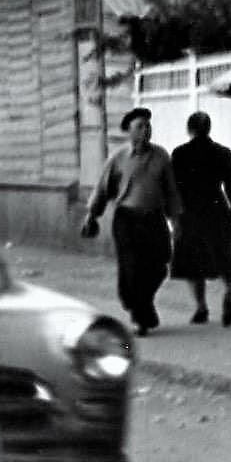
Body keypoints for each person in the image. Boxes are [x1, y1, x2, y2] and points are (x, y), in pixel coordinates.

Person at [82, 106, 182, 336]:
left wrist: (176, 221)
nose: (146, 130)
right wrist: (91, 216)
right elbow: (102, 189)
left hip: (154, 218)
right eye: (140, 126)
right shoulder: (118, 158)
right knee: (132, 267)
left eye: (148, 125)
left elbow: (171, 191)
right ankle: (140, 315)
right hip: (127, 219)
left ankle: (140, 303)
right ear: (129, 131)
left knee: (160, 264)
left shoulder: (161, 156)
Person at [169, 111, 231, 325]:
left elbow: (175, 188)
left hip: (190, 212)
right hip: (217, 209)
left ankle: (201, 307)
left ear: (189, 129)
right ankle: (228, 292)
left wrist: (175, 217)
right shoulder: (222, 153)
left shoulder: (180, 154)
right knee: (224, 255)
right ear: (209, 129)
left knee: (192, 261)